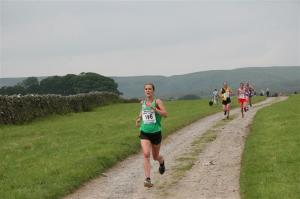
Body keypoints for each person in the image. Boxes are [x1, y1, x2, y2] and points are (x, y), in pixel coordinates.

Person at [135, 82, 168, 188]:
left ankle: (162, 162)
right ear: (144, 91)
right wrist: (139, 118)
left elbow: (165, 114)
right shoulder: (143, 102)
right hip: (144, 132)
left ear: (153, 91)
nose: (147, 91)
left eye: (149, 89)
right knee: (145, 154)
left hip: (156, 133)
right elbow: (143, 112)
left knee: (155, 156)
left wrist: (154, 108)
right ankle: (148, 179)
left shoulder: (157, 101)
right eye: (146, 89)